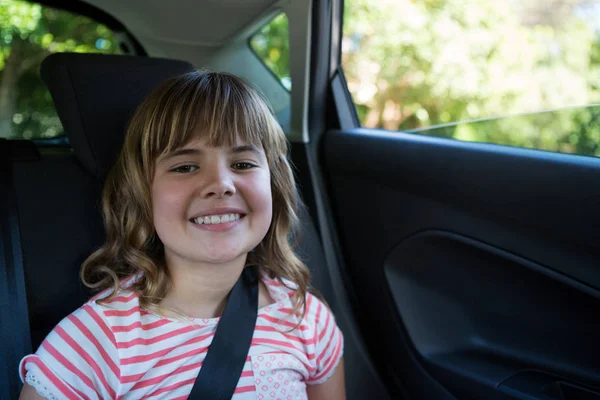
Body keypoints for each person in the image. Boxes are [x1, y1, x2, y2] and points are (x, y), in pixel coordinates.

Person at [18, 70, 345, 400]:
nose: (221, 184)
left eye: (243, 164)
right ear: (144, 194)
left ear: (274, 186)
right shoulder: (95, 343)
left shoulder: (303, 316)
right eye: (185, 166)